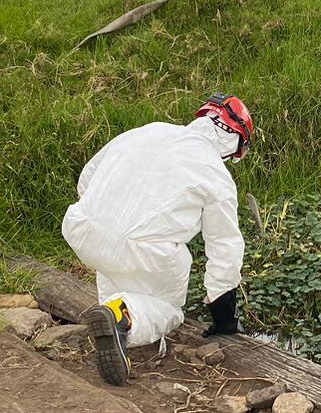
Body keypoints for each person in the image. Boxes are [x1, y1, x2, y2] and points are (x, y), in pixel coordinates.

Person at [62, 94, 253, 385]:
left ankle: (113, 321)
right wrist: (224, 318)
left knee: (116, 264)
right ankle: (121, 318)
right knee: (168, 308)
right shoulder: (217, 174)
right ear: (234, 143)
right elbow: (224, 248)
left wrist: (106, 218)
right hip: (140, 249)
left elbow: (88, 176)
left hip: (81, 226)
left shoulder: (149, 130)